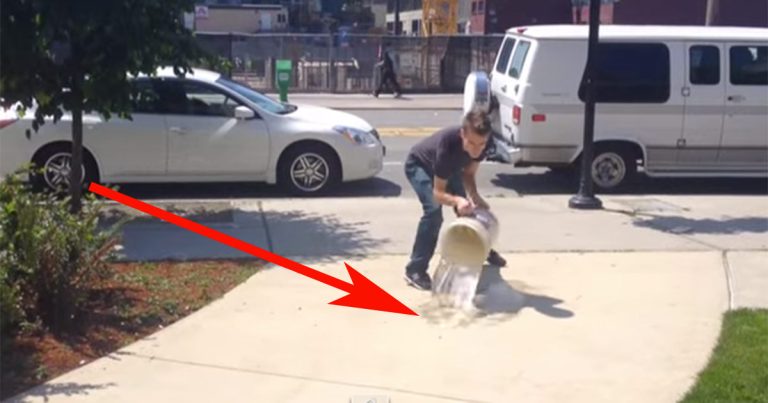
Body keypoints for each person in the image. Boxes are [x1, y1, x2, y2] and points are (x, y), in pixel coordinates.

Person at [403, 109, 507, 290]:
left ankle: (481, 248)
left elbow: (469, 173)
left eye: (481, 144)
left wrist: (475, 197)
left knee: (469, 210)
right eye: (472, 143)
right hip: (420, 165)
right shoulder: (447, 147)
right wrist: (457, 201)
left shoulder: (484, 142)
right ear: (462, 134)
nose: (477, 149)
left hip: (451, 170)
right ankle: (415, 270)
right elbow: (438, 192)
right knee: (434, 212)